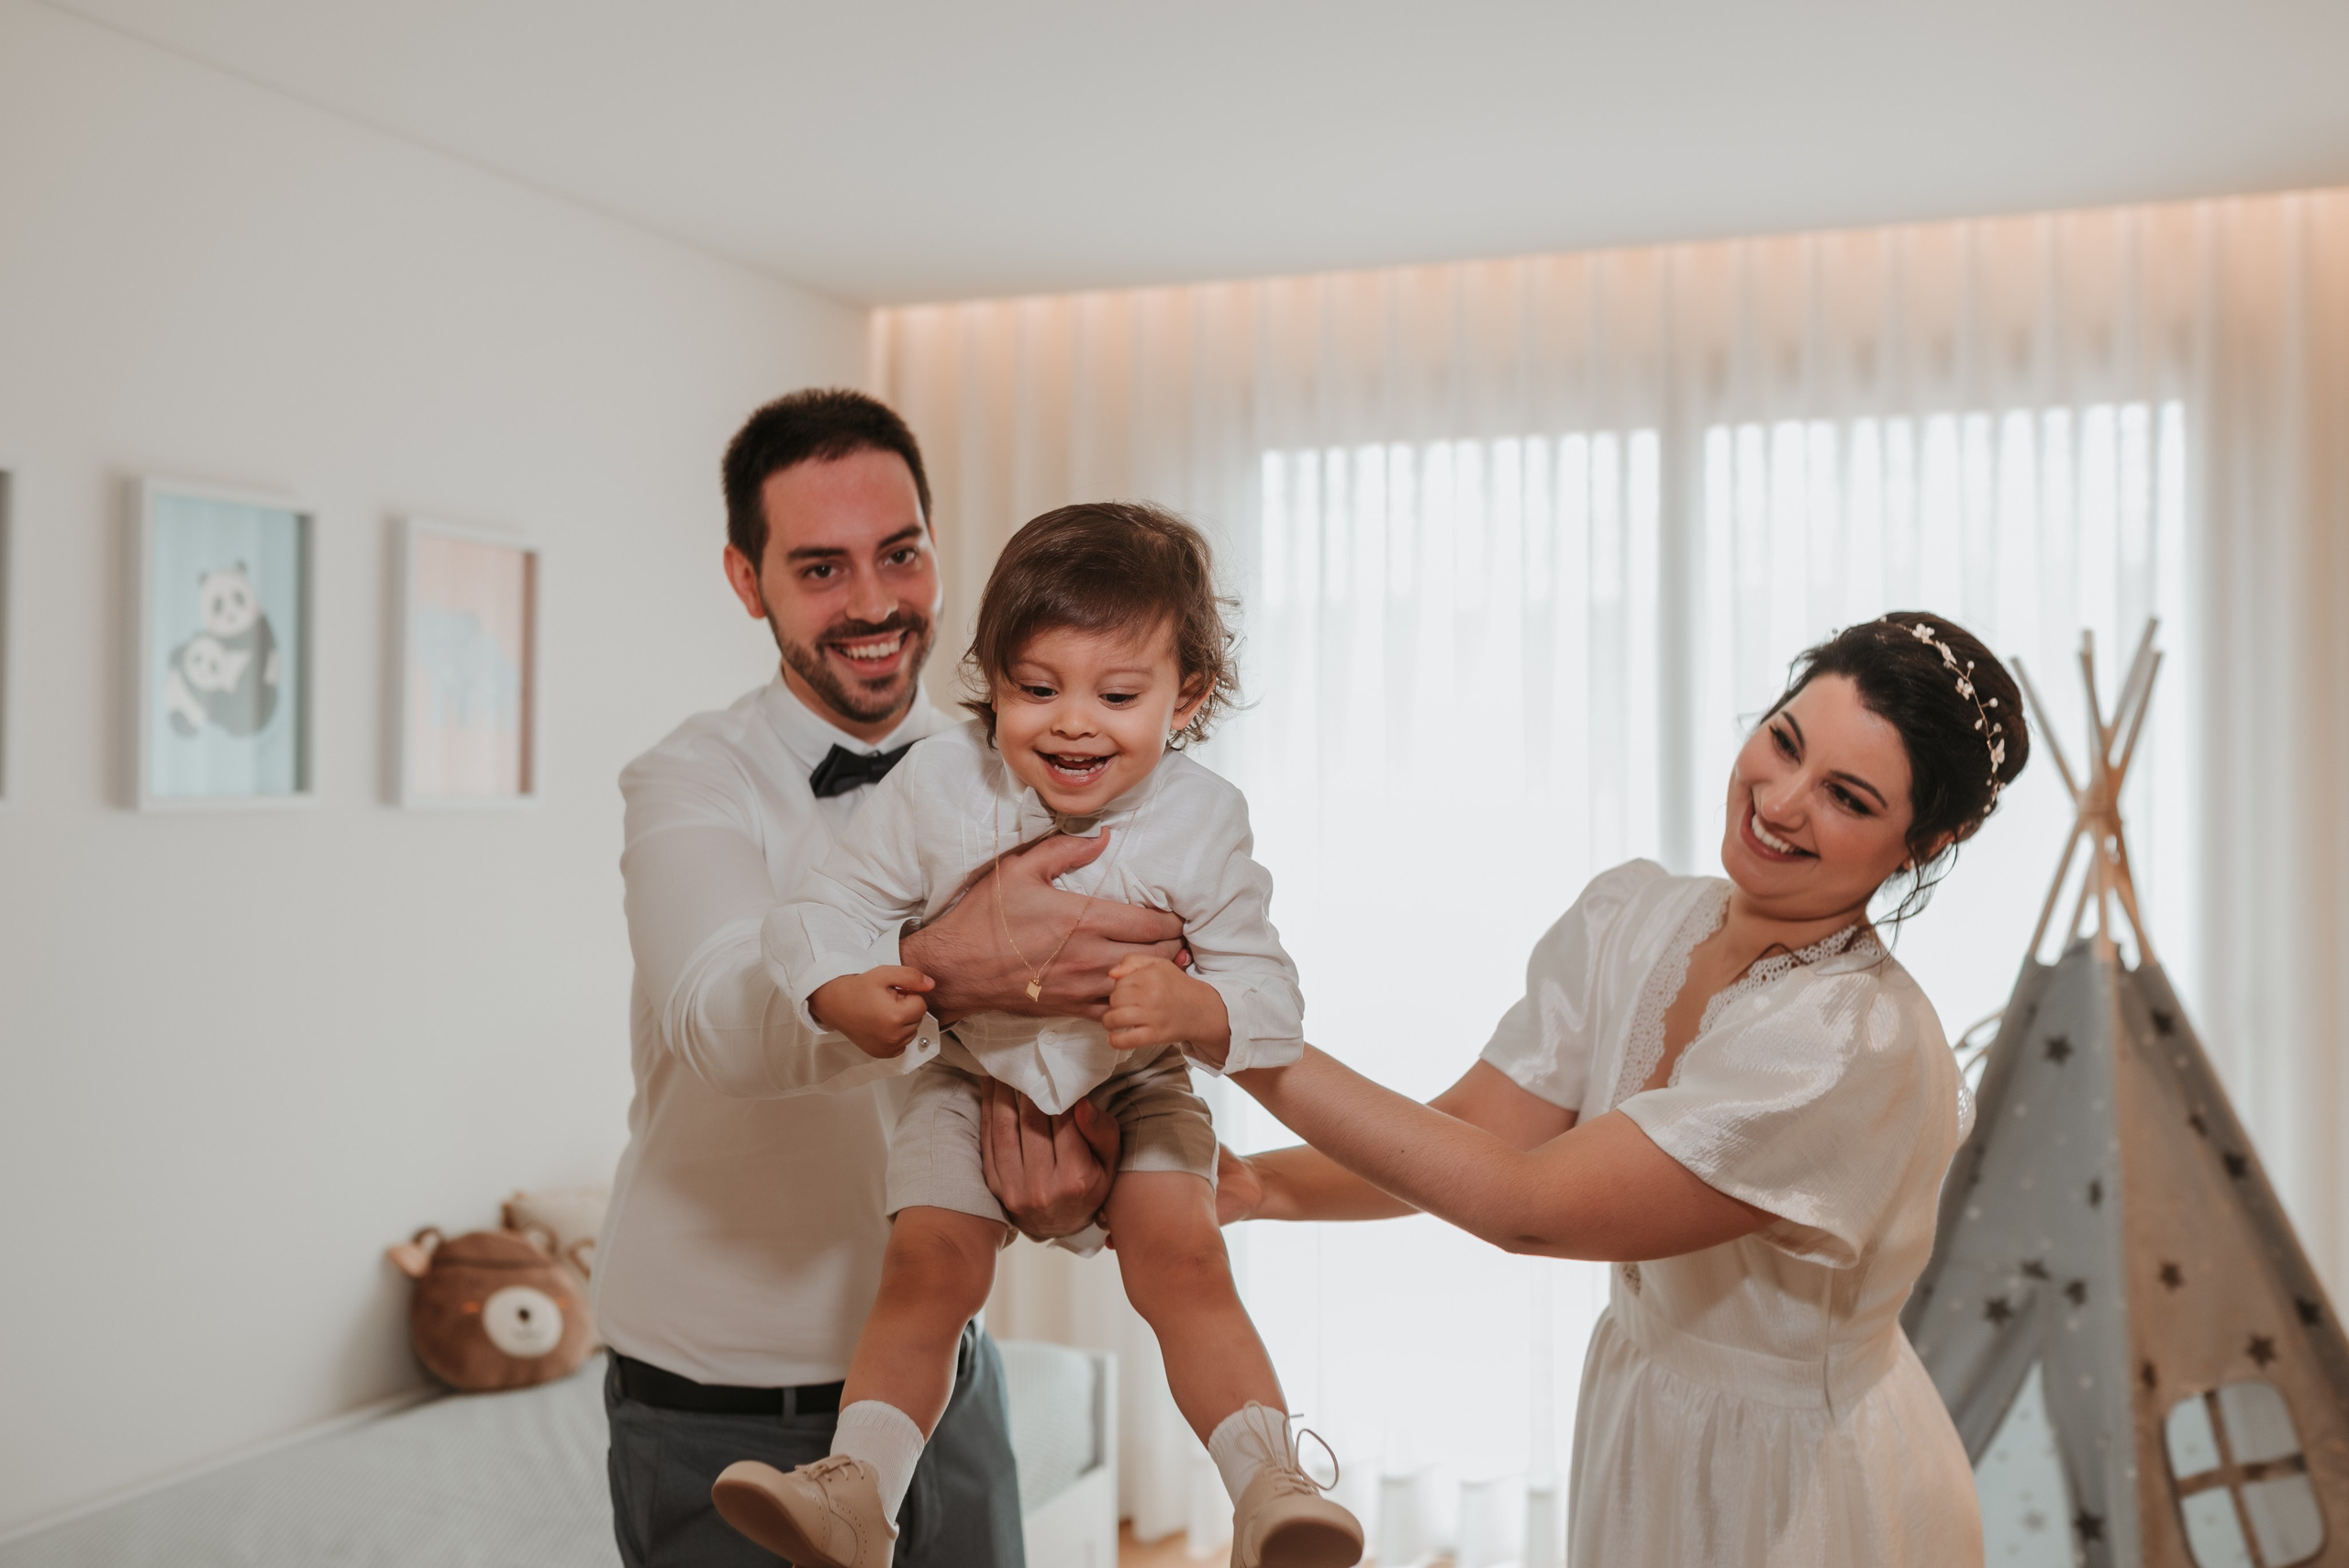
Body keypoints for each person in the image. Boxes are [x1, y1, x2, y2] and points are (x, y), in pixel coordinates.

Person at [1220, 614, 2029, 1565]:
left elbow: (1530, 1205)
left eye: (1846, 797)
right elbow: (1478, 1132)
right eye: (1783, 741)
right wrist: (1255, 1187)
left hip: (1796, 1472)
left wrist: (1238, 1036)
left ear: (1921, 841)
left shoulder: (1854, 1039)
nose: (1780, 799)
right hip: (1642, 1411)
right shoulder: (1632, 916)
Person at [596, 390, 1192, 1568]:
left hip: (945, 1378)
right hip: (717, 1401)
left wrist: (1076, 1206)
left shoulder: (1036, 765)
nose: (873, 603)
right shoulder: (687, 779)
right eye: (819, 567)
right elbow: (721, 1019)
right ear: (745, 576)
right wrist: (936, 963)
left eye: (900, 553)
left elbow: (1068, 1056)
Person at [711, 504, 1364, 1568]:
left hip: (1135, 1074)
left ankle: (1268, 1486)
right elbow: (824, 910)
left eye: (1117, 694)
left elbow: (1269, 995)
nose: (1072, 724)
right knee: (926, 1265)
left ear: (1185, 696)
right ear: (991, 678)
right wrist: (839, 987)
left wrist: (1192, 1009)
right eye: (1036, 687)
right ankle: (857, 1491)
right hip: (966, 1070)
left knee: (1184, 1257)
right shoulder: (934, 783)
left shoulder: (1204, 819)